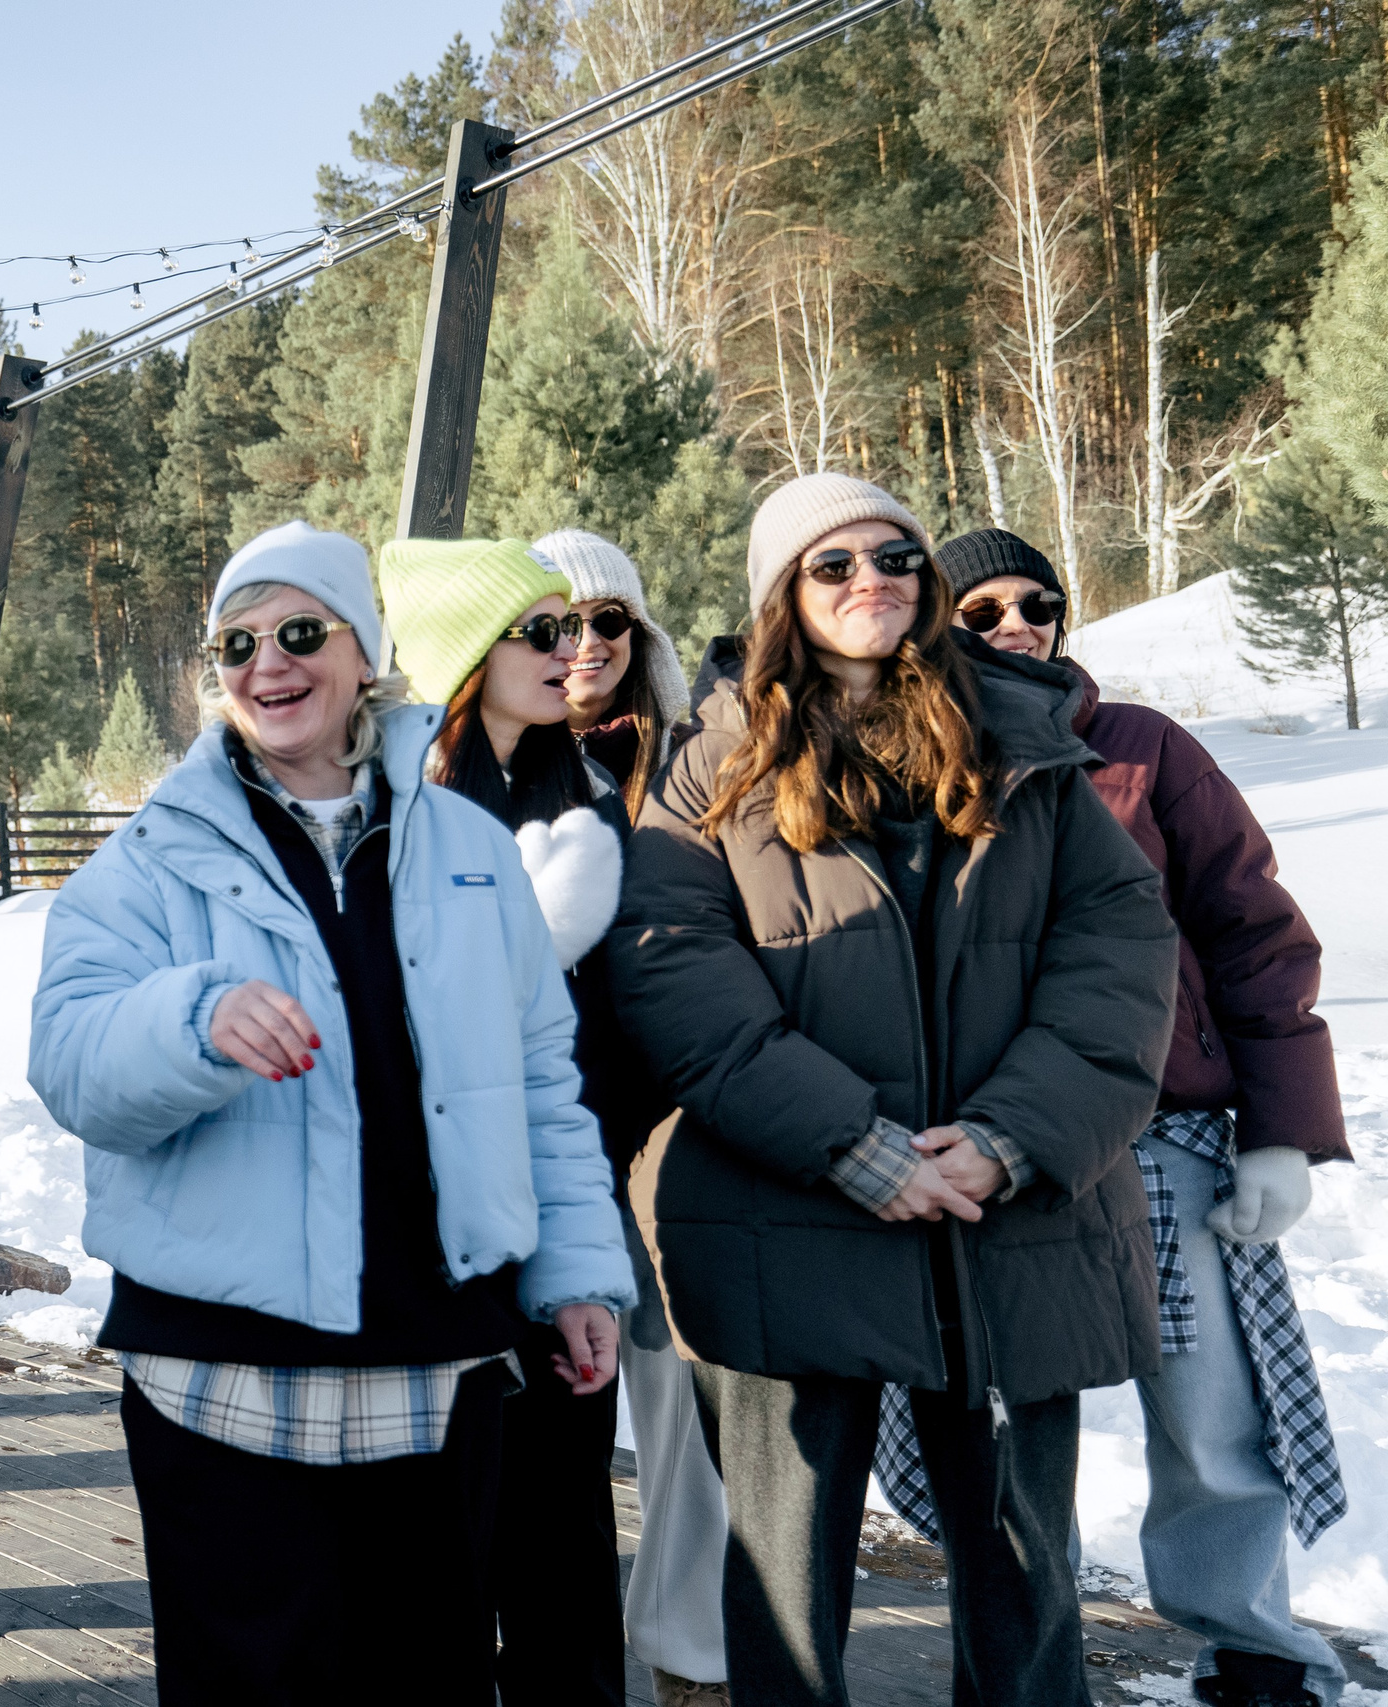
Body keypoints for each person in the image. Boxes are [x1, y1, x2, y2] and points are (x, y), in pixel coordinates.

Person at [29, 520, 634, 1704]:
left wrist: (572, 1271)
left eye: (301, 631)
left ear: (367, 655)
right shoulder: (148, 858)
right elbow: (71, 1061)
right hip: (224, 1376)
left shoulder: (467, 847)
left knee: (431, 1683)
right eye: (236, 642)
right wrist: (193, 1019)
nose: (268, 662)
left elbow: (538, 1083)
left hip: (437, 1360)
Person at [608, 473, 1179, 1707]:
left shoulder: (1022, 735)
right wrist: (848, 1143)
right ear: (781, 592)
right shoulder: (708, 761)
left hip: (1001, 1218)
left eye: (896, 557)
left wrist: (1008, 1138)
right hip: (785, 1211)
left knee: (1023, 1580)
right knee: (787, 1590)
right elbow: (676, 977)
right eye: (834, 563)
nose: (872, 579)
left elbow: (1119, 951)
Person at [892, 529, 1346, 1707]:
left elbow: (1254, 936)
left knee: (1207, 1417)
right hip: (998, 1150)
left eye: (1037, 602)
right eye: (981, 610)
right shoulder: (906, 758)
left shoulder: (1141, 747)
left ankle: (1251, 1650)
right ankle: (1020, 1661)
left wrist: (1280, 1129)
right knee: (1010, 1428)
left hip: (1160, 1139)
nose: (1016, 625)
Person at [380, 529, 720, 1707]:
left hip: (570, 1193)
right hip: (436, 1220)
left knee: (564, 1512)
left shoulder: (581, 789)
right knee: (445, 1513)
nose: (573, 648)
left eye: (592, 625)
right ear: (470, 651)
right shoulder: (399, 797)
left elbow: (608, 1017)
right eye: (543, 628)